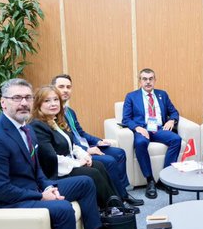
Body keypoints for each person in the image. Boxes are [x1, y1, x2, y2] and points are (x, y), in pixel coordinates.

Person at [0, 79, 125, 229]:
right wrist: (41, 195)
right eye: (16, 98)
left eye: (27, 98)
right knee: (62, 208)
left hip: (32, 189)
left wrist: (47, 187)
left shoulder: (26, 130)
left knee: (85, 182)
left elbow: (37, 169)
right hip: (6, 201)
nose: (23, 103)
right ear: (3, 102)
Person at [51, 73, 142, 208]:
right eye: (61, 86)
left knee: (119, 153)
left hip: (84, 146)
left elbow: (80, 133)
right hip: (77, 152)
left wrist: (98, 141)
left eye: (68, 87)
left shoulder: (70, 111)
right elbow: (66, 143)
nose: (65, 90)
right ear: (53, 88)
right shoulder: (52, 113)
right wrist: (86, 150)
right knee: (109, 161)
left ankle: (123, 192)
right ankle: (118, 198)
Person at [29, 85, 124, 210]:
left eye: (55, 100)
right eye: (47, 101)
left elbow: (72, 145)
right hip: (56, 171)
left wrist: (85, 156)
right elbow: (51, 158)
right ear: (38, 104)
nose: (53, 104)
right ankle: (113, 209)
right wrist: (78, 163)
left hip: (68, 164)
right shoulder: (38, 125)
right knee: (93, 173)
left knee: (99, 165)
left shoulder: (56, 120)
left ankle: (116, 205)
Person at [122, 68, 182, 199]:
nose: (148, 82)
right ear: (140, 81)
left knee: (176, 139)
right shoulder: (131, 96)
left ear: (155, 80)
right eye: (145, 79)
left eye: (150, 79)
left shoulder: (162, 94)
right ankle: (150, 181)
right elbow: (126, 119)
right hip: (143, 129)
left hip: (159, 129)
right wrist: (137, 128)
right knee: (140, 142)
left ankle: (164, 180)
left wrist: (172, 120)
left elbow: (174, 112)